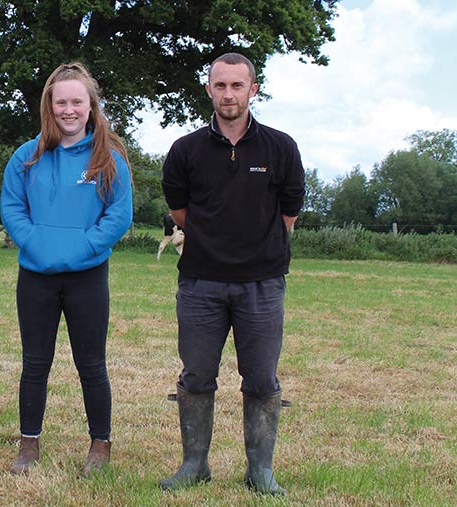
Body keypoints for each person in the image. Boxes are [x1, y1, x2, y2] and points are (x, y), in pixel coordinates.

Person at [159, 52, 304, 495]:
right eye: (220, 85)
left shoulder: (281, 147)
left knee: (261, 378)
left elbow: (289, 213)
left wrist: (254, 250)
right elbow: (178, 210)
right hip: (201, 282)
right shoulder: (186, 150)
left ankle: (259, 470)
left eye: (237, 86)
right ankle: (194, 464)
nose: (228, 94)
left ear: (253, 90)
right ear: (209, 90)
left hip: (262, 284)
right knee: (197, 375)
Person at [0, 62, 133, 477]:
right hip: (36, 275)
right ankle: (28, 444)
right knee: (34, 362)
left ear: (91, 106)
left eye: (78, 101)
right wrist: (37, 243)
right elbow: (11, 208)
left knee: (91, 364)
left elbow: (119, 216)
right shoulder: (27, 156)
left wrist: (83, 246)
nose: (69, 109)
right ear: (50, 106)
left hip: (87, 277)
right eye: (62, 102)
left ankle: (100, 445)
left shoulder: (109, 159)